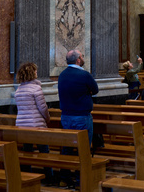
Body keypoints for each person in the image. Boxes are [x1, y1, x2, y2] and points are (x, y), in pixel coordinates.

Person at [58, 49, 98, 184]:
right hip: (82, 116)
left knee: (67, 148)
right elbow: (95, 90)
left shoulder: (62, 75)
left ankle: (65, 178)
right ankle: (81, 180)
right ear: (78, 60)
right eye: (82, 56)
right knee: (83, 148)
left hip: (66, 116)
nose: (82, 58)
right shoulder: (84, 75)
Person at [14, 62, 54, 182]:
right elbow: (43, 108)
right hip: (36, 124)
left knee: (27, 151)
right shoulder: (36, 88)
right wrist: (47, 119)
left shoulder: (19, 89)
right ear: (31, 73)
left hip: (22, 125)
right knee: (44, 151)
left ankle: (27, 177)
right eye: (35, 71)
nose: (37, 72)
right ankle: (49, 177)